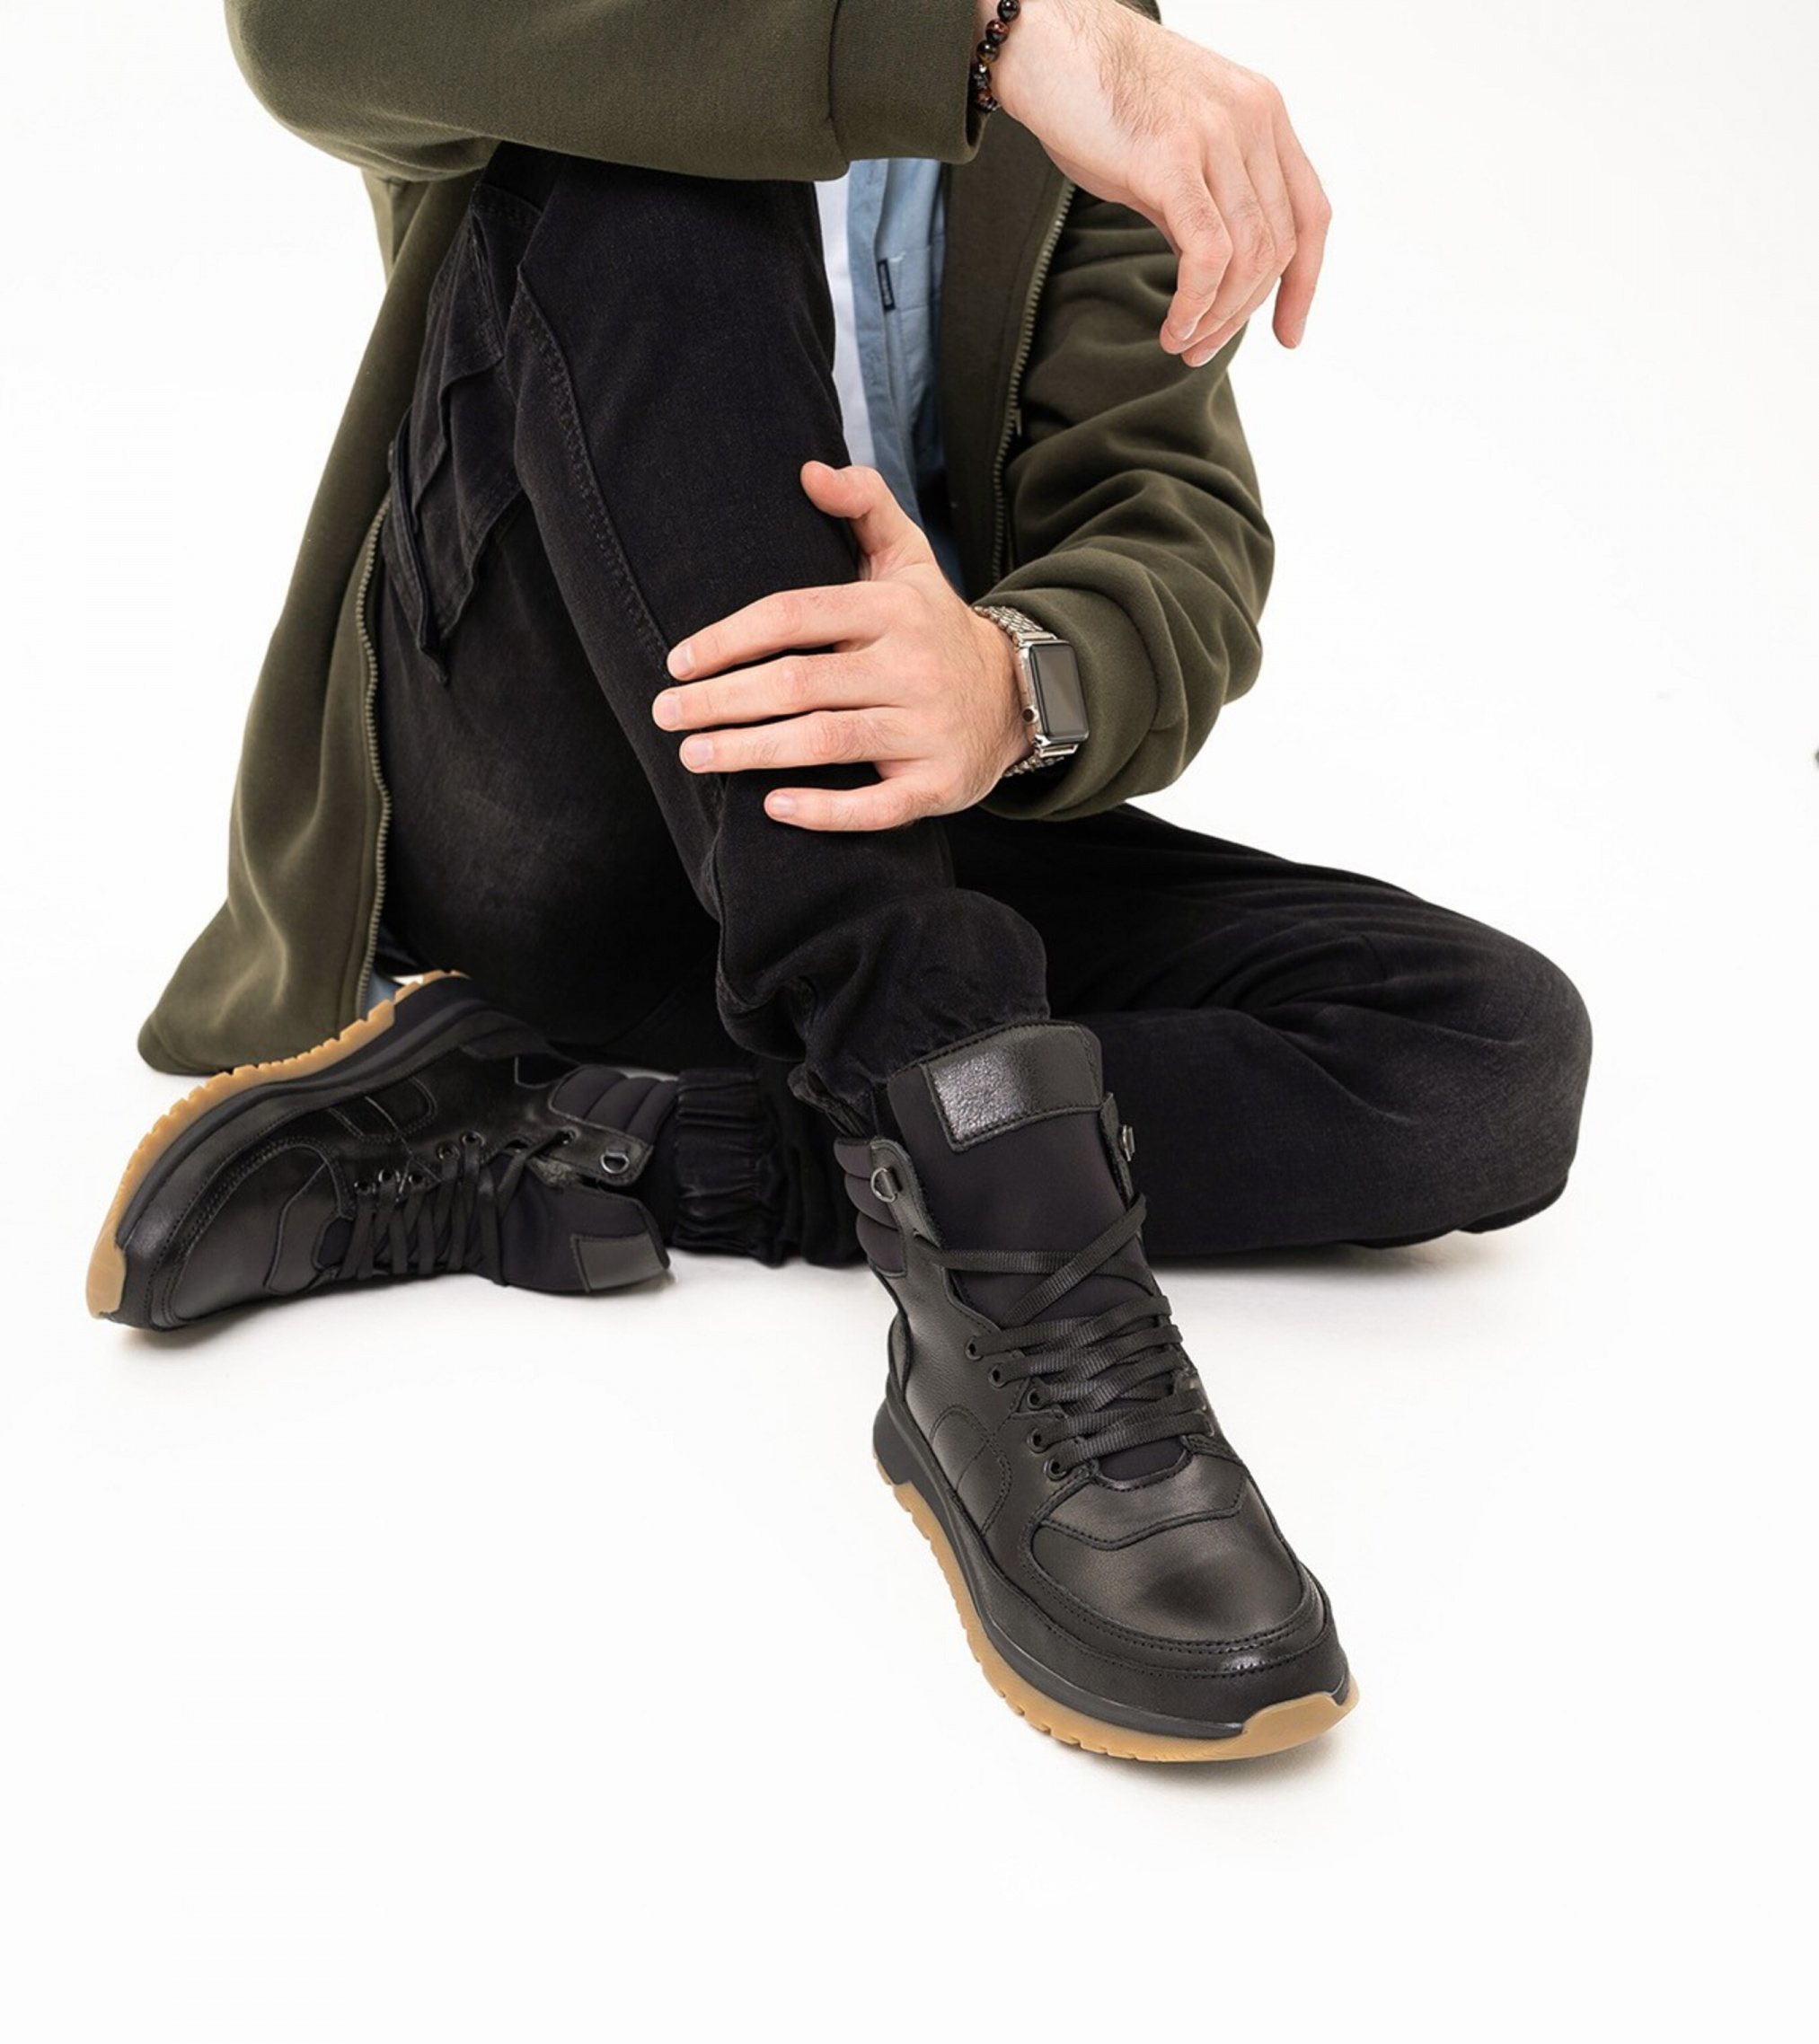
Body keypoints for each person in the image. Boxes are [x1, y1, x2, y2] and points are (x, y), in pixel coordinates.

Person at [88, 0, 1593, 1762]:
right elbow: (305, 29)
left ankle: (618, 1135)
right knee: (669, 152)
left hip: (871, 845)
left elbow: (1170, 531)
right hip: (542, 804)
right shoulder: (1029, 40)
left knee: (1480, 1055)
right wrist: (979, 38)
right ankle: (1017, 1258)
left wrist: (1010, 675)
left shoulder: (1096, 49)